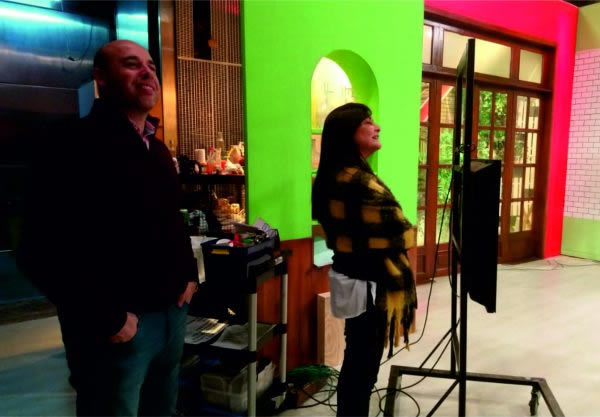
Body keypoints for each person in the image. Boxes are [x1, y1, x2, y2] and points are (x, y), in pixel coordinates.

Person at [19, 40, 199, 416]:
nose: (147, 73)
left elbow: (171, 221)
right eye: (132, 65)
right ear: (101, 78)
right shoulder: (72, 143)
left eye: (151, 66)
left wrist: (188, 274)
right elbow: (38, 248)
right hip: (115, 329)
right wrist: (105, 316)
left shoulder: (156, 149)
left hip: (170, 316)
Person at [312, 103, 417, 416]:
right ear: (349, 133)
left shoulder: (331, 177)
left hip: (353, 279)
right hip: (371, 286)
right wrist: (407, 233)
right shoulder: (357, 181)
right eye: (368, 122)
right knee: (362, 368)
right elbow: (402, 234)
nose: (377, 126)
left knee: (357, 360)